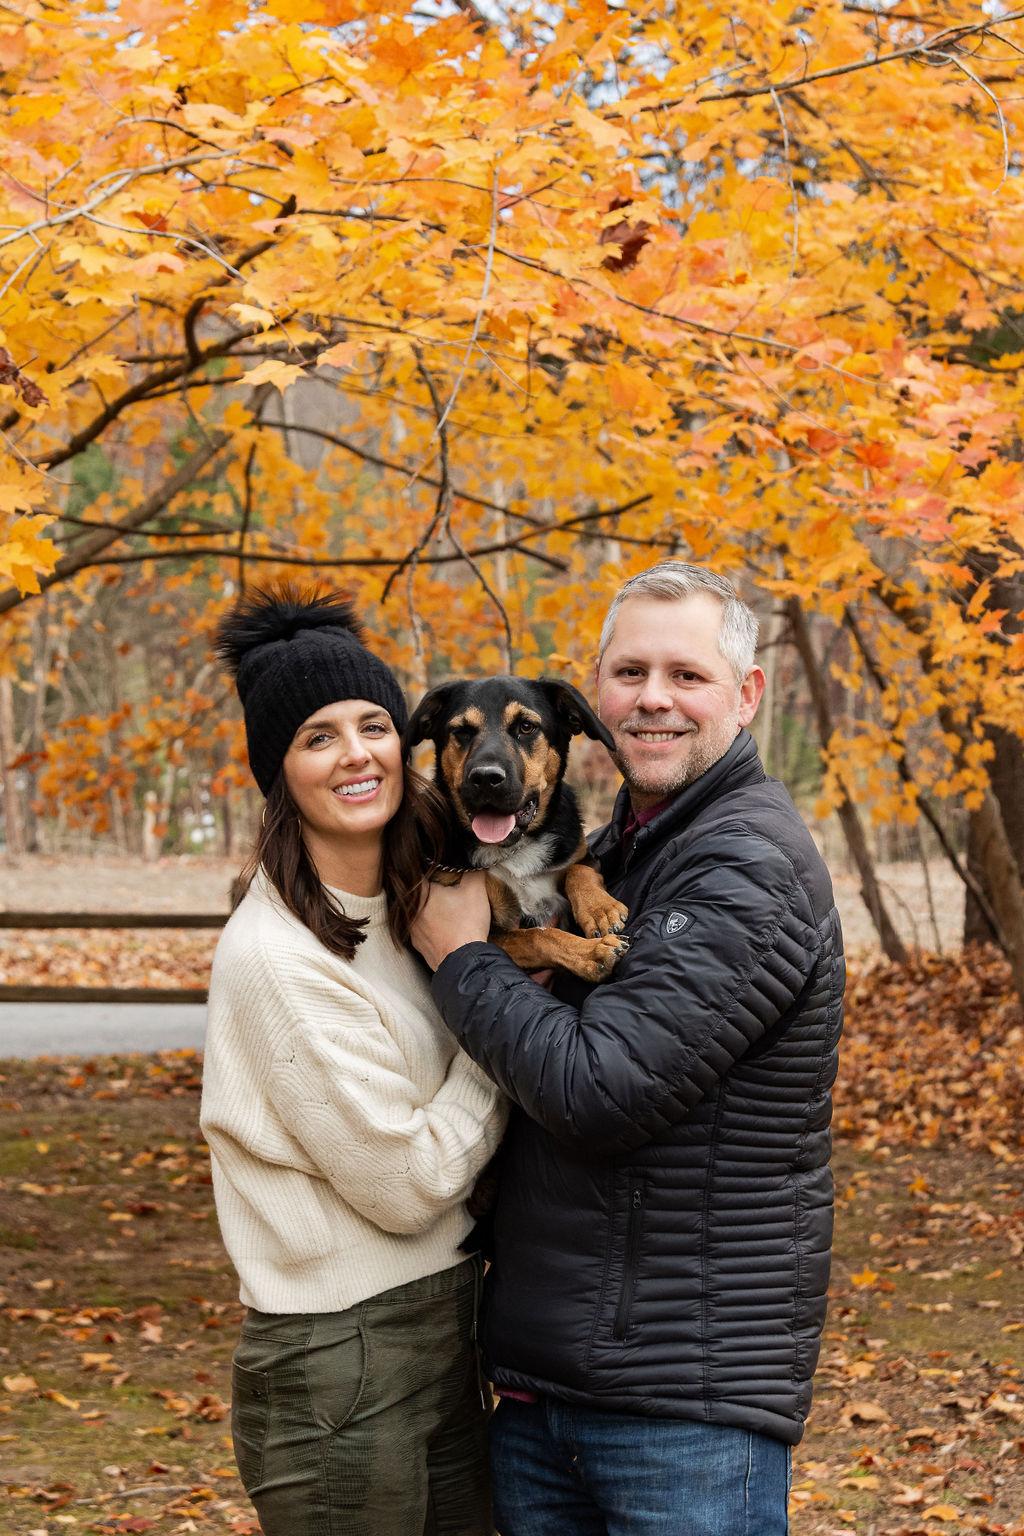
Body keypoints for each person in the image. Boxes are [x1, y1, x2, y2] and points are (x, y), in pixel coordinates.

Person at [411, 562, 845, 1536]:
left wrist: (461, 957)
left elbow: (598, 1090)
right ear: (597, 699)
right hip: (547, 1390)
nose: (653, 698)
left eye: (686, 675)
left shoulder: (746, 863)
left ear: (746, 694)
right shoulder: (619, 852)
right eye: (631, 672)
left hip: (675, 1413)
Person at [200, 586, 507, 1536]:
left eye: (373, 725)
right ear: (278, 771)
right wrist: (502, 1013)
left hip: (447, 1323)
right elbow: (410, 1183)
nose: (357, 754)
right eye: (317, 737)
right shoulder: (276, 960)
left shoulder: (422, 901)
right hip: (341, 1355)